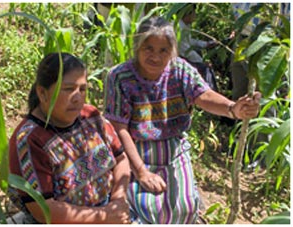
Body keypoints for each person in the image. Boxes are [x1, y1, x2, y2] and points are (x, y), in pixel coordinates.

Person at [103, 16, 261, 224]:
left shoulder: (180, 70)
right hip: (136, 151)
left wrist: (233, 109)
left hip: (174, 150)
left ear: (172, 52)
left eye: (163, 51)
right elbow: (119, 129)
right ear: (137, 46)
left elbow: (203, 95)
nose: (155, 57)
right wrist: (141, 172)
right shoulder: (120, 77)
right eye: (148, 48)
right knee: (147, 211)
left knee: (184, 209)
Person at [8, 52, 133, 224]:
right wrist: (104, 216)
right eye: (68, 89)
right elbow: (43, 209)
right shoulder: (30, 139)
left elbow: (121, 159)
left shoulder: (91, 116)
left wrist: (118, 201)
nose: (77, 97)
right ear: (42, 93)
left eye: (82, 89)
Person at [178, 3, 218, 91]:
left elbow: (190, 41)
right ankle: (210, 93)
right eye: (194, 12)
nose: (195, 15)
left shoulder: (184, 26)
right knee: (207, 69)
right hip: (181, 59)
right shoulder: (180, 28)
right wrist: (202, 62)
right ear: (188, 12)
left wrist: (206, 44)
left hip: (184, 57)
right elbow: (186, 51)